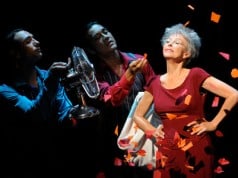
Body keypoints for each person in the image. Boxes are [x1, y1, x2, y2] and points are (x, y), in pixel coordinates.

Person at [133, 23, 238, 178]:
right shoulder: (154, 83)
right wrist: (153, 131)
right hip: (167, 149)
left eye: (177, 43)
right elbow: (137, 115)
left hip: (196, 147)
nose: (169, 43)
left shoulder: (195, 75)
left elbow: (234, 94)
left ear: (187, 53)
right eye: (168, 41)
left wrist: (213, 123)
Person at [0, 28, 81, 178]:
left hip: (61, 156)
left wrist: (74, 114)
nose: (36, 43)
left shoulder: (46, 75)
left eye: (34, 38)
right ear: (16, 53)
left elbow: (64, 110)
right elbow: (34, 115)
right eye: (28, 41)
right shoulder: (5, 89)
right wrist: (51, 82)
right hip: (30, 163)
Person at [81, 21, 158, 178]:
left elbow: (156, 92)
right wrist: (129, 74)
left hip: (146, 137)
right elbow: (110, 99)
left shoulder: (137, 59)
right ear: (91, 48)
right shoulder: (93, 75)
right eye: (97, 37)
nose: (105, 36)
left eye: (105, 31)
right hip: (114, 144)